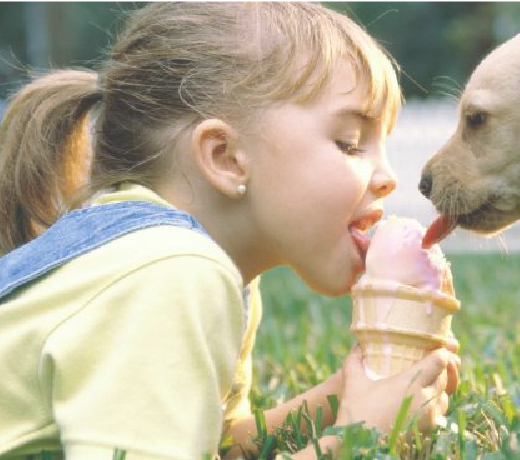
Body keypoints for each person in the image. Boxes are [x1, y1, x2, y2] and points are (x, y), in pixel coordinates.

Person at [0, 3, 459, 459]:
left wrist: (339, 399)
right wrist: (360, 440)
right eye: (350, 144)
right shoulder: (170, 271)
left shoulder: (196, 267)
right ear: (224, 157)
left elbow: (209, 444)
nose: (388, 176)